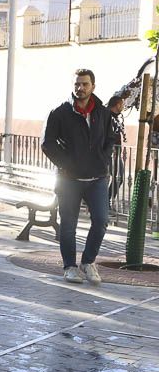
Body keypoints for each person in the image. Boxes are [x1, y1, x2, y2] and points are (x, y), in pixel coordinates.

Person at [41, 68, 114, 286]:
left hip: (98, 178)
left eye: (84, 84)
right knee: (69, 225)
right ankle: (70, 267)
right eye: (77, 84)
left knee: (101, 221)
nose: (80, 88)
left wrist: (104, 159)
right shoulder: (60, 112)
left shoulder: (103, 112)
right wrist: (67, 164)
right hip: (69, 179)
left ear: (93, 86)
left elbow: (110, 139)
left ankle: (88, 262)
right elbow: (47, 143)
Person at [107, 94, 127, 200]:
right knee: (116, 176)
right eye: (122, 104)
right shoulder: (106, 116)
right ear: (117, 104)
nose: (123, 107)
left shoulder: (116, 117)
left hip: (116, 151)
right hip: (110, 151)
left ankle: (107, 200)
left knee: (118, 177)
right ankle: (106, 201)